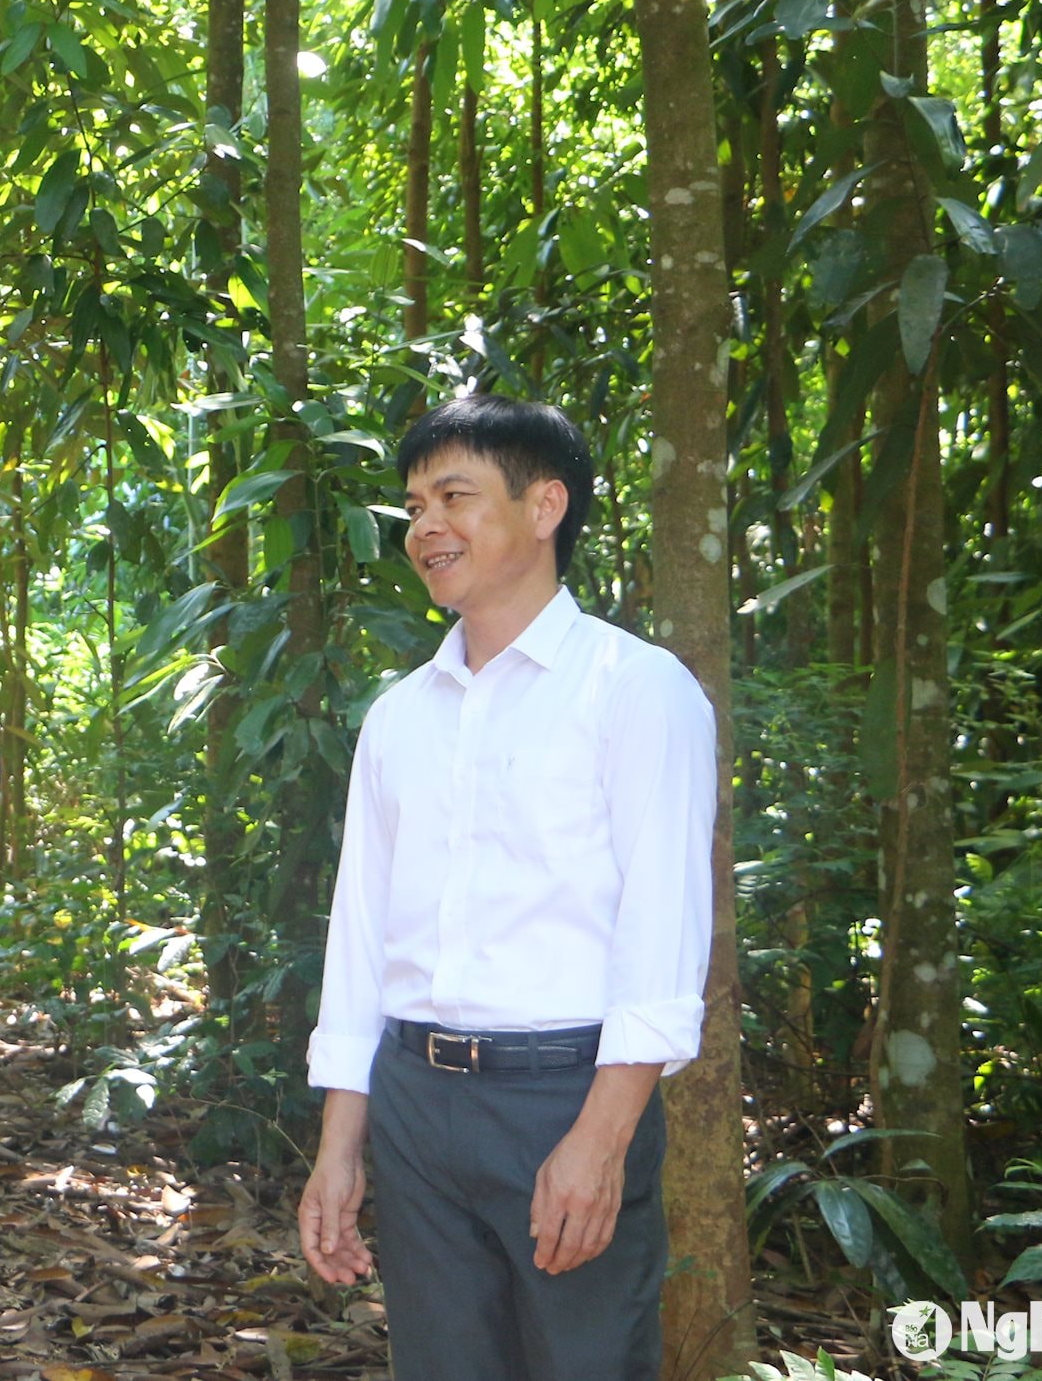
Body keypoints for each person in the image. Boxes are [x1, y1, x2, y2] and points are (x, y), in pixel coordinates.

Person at [295, 393, 715, 1381]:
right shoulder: (399, 717)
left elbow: (662, 933)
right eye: (412, 504)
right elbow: (360, 943)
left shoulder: (635, 686)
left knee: (584, 1362)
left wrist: (600, 1140)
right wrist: (338, 1147)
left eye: (454, 495)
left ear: (544, 506)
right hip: (413, 1100)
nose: (424, 526)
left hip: (562, 1095)